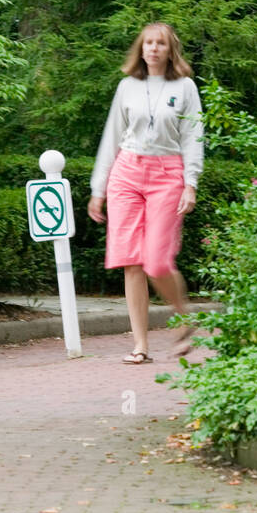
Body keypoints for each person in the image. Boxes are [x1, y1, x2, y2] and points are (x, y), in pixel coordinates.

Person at [87, 22, 203, 364]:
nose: (153, 48)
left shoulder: (184, 87)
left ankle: (183, 317)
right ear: (141, 48)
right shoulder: (127, 86)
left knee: (156, 261)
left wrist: (190, 184)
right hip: (126, 172)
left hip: (167, 174)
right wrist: (99, 188)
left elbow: (193, 138)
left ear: (170, 50)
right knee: (131, 263)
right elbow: (112, 136)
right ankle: (140, 346)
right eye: (148, 43)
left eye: (160, 43)